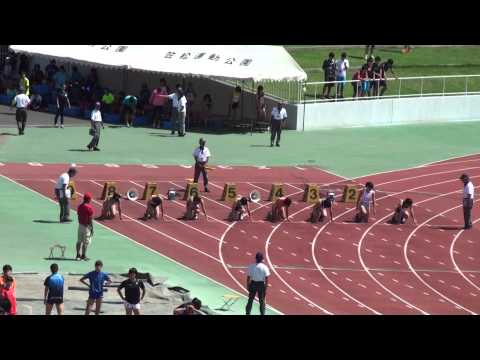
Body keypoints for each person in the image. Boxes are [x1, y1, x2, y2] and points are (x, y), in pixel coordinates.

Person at [77, 192, 94, 261]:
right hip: (86, 226)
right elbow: (90, 219)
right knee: (85, 242)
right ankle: (83, 255)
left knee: (79, 241)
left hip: (80, 225)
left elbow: (78, 215)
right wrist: (91, 227)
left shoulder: (80, 206)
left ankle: (78, 254)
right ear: (88, 199)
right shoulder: (89, 207)